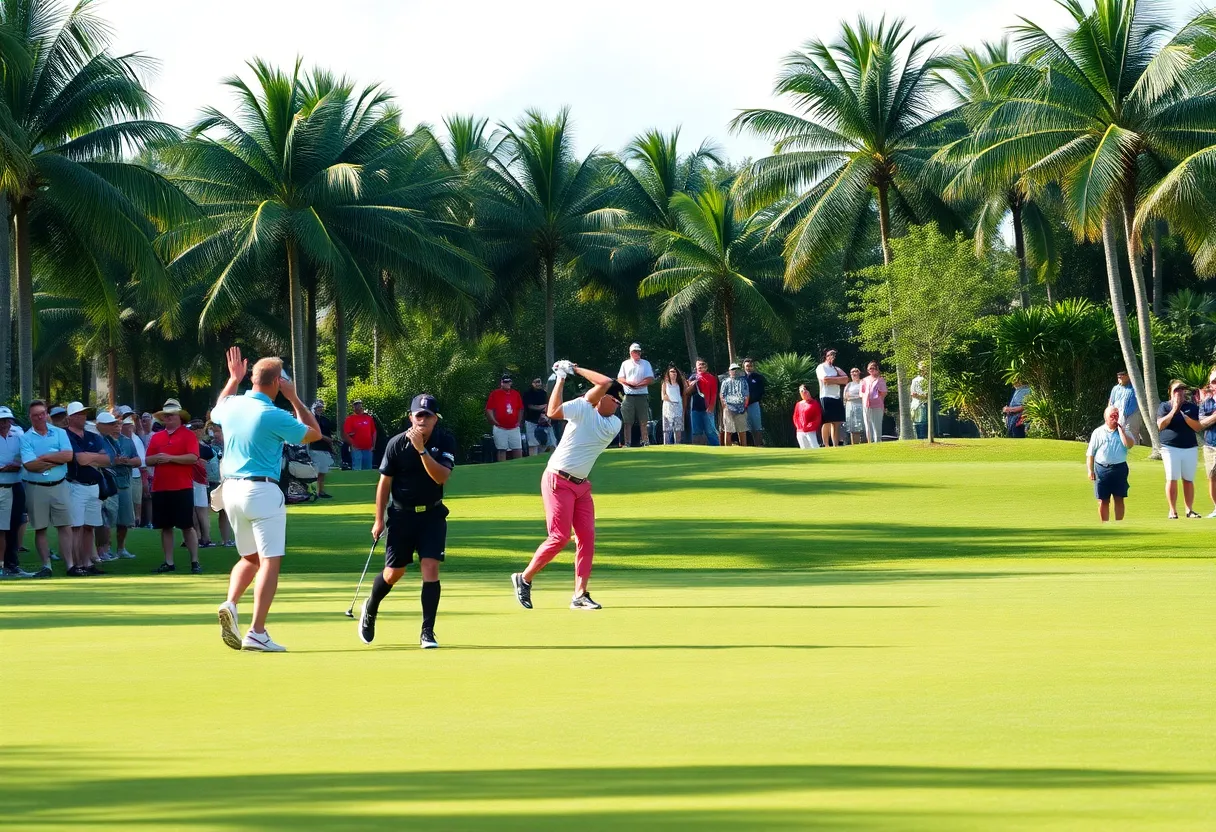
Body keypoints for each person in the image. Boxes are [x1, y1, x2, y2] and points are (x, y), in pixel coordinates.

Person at [213, 348, 320, 653]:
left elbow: (216, 411)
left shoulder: (232, 404)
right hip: (261, 491)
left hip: (231, 492)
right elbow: (314, 433)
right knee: (270, 561)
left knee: (250, 558)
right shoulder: (273, 414)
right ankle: (257, 632)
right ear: (276, 383)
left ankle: (231, 603)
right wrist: (295, 398)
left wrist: (233, 379)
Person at [511, 362, 623, 611]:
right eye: (614, 401)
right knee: (559, 537)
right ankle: (524, 578)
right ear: (603, 399)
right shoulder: (584, 408)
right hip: (557, 480)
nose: (617, 406)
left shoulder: (611, 424)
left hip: (581, 487)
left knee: (587, 538)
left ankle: (580, 594)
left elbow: (603, 384)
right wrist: (562, 377)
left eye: (619, 404)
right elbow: (553, 412)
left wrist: (571, 369)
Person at [360, 394, 456, 649]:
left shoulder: (444, 440)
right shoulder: (395, 444)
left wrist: (422, 451)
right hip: (401, 516)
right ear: (410, 416)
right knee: (394, 573)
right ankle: (371, 606)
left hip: (432, 515)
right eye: (418, 414)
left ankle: (427, 631)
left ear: (436, 419)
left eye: (428, 415)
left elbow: (441, 477)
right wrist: (378, 519)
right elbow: (384, 483)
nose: (422, 419)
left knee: (430, 568)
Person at [145, 398, 202, 573]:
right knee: (165, 527)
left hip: (181, 487)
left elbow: (193, 457)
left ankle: (194, 561)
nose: (168, 419)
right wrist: (158, 458)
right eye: (166, 416)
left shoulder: (188, 435)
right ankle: (169, 562)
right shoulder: (157, 437)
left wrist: (170, 458)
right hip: (161, 487)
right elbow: (148, 459)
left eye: (171, 416)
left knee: (187, 526)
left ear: (179, 418)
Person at [20, 400, 73, 578]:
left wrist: (45, 458)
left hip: (60, 485)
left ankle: (70, 565)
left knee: (65, 526)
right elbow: (30, 465)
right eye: (36, 415)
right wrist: (55, 460)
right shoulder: (25, 437)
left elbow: (68, 455)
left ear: (46, 414)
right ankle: (46, 566)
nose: (40, 417)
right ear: (31, 417)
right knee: (40, 528)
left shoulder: (59, 433)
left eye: (42, 413)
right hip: (36, 488)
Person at [64, 402, 109, 574]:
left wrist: (89, 457)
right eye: (79, 414)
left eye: (84, 414)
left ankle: (87, 563)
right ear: (70, 417)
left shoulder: (92, 436)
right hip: (75, 485)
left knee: (90, 526)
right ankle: (77, 565)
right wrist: (95, 457)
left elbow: (106, 460)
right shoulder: (66, 435)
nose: (83, 417)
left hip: (93, 486)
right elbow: (80, 460)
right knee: (76, 527)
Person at [1157, 379, 1203, 519]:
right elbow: (1160, 425)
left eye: (1182, 389)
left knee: (1188, 479)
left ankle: (1189, 510)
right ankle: (1172, 510)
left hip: (1189, 447)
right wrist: (1174, 410)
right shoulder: (1164, 406)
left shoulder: (1192, 407)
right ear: (1170, 392)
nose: (1180, 392)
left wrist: (1185, 416)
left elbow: (1197, 427)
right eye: (1177, 390)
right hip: (1170, 447)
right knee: (1172, 478)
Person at [96, 412, 138, 560]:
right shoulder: (100, 439)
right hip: (108, 484)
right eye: (112, 424)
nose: (116, 427)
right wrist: (115, 461)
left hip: (124, 483)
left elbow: (138, 460)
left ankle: (121, 549)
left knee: (124, 520)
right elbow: (101, 460)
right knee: (106, 518)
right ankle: (104, 550)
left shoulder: (127, 441)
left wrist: (127, 461)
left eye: (118, 424)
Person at [1087, 405, 1136, 522]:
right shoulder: (1098, 432)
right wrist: (1090, 470)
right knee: (1103, 500)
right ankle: (1105, 524)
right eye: (1112, 416)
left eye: (1117, 416)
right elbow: (1090, 453)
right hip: (1101, 469)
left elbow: (1129, 445)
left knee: (1119, 498)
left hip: (1119, 468)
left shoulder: (1125, 431)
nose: (1115, 418)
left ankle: (1119, 524)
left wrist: (1122, 432)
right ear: (1106, 418)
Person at [0, 407, 32, 578]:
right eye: (1, 420)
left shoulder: (18, 437)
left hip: (16, 485)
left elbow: (25, 456)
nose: (4, 423)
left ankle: (12, 565)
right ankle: (3, 566)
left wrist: (17, 463)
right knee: (1, 529)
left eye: (7, 420)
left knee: (13, 527)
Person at [617, 342, 655, 448]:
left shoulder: (645, 363)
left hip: (642, 395)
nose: (637, 353)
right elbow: (620, 378)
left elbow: (650, 378)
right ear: (631, 352)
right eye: (635, 351)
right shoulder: (625, 364)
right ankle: (627, 442)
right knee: (627, 421)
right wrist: (629, 384)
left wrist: (638, 385)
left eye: (639, 351)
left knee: (643, 420)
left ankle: (645, 441)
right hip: (628, 396)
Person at [189, 419, 217, 548]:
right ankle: (198, 536)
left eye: (199, 429)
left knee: (200, 510)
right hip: (192, 479)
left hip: (198, 480)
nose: (197, 431)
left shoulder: (203, 447)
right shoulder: (201, 446)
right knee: (195, 510)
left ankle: (204, 537)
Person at [485, 374, 524, 461]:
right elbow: (489, 409)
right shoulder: (495, 394)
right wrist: (494, 420)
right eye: (505, 382)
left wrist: (519, 421)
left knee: (517, 448)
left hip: (514, 427)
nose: (507, 384)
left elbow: (520, 409)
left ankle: (519, 467)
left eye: (509, 381)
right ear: (501, 383)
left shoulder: (515, 394)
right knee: (501, 449)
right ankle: (502, 467)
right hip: (500, 427)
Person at [815, 349, 848, 447]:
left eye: (834, 355)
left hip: (836, 397)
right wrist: (838, 380)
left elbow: (845, 379)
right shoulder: (821, 367)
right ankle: (826, 445)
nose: (832, 357)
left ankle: (835, 445)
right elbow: (825, 379)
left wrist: (833, 380)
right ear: (826, 356)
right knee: (827, 422)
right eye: (830, 354)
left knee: (836, 422)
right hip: (826, 396)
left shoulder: (836, 369)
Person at [688, 358, 720, 446]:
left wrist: (711, 406)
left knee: (710, 431)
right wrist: (692, 384)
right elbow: (686, 392)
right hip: (695, 408)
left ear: (706, 367)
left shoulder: (711, 378)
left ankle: (717, 449)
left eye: (703, 365)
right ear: (696, 366)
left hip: (707, 408)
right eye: (699, 365)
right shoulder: (692, 377)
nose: (701, 367)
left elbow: (714, 393)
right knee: (696, 432)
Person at [122, 414, 147, 527]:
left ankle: (136, 522)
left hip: (136, 476)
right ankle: (130, 523)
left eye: (129, 425)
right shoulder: (118, 439)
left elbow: (142, 463)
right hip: (124, 476)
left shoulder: (136, 440)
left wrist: (145, 480)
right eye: (126, 425)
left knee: (137, 502)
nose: (128, 428)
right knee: (127, 503)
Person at [308, 400, 335, 497]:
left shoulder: (325, 420)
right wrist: (325, 438)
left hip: (325, 448)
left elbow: (329, 435)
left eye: (320, 407)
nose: (319, 409)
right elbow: (313, 432)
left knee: (323, 472)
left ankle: (321, 491)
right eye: (317, 407)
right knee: (315, 472)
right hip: (315, 448)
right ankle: (313, 492)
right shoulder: (310, 419)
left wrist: (332, 447)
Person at [522, 378, 556, 455]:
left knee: (551, 443)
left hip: (545, 421)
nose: (538, 384)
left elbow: (549, 406)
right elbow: (530, 406)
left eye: (539, 382)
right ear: (532, 383)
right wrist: (542, 407)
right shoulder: (528, 393)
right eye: (536, 382)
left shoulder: (544, 393)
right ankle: (533, 460)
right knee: (533, 444)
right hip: (531, 421)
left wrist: (545, 414)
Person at [720, 363, 750, 447]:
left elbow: (747, 395)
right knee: (728, 431)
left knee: (742, 431)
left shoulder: (743, 381)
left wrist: (745, 406)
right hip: (728, 409)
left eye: (737, 369)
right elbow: (722, 395)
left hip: (741, 409)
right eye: (733, 369)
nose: (735, 371)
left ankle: (744, 449)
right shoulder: (725, 382)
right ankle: (727, 450)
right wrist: (725, 408)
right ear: (729, 371)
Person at [1108, 369, 1141, 445]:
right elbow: (1111, 402)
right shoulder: (1115, 389)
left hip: (1132, 415)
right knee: (1116, 435)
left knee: (1132, 434)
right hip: (1117, 415)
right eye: (1118, 377)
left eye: (1122, 376)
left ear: (1128, 376)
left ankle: (1135, 451)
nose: (1120, 378)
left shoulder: (1134, 388)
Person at [343, 400, 377, 471]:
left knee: (368, 469)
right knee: (357, 468)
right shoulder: (350, 419)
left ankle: (367, 482)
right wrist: (352, 445)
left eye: (360, 406)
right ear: (354, 408)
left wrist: (373, 446)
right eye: (356, 406)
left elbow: (373, 432)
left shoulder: (369, 418)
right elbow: (346, 434)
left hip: (368, 448)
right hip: (356, 448)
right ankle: (356, 481)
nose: (359, 408)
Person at [859, 361, 888, 444]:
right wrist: (866, 396)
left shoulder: (880, 380)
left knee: (877, 424)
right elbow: (861, 393)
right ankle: (870, 442)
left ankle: (878, 441)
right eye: (870, 368)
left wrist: (879, 399)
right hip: (866, 404)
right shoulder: (864, 380)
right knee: (868, 424)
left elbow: (884, 392)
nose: (871, 370)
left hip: (877, 405)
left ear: (877, 369)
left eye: (873, 368)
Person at [741, 358, 766, 446]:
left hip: (754, 405)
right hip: (743, 406)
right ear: (744, 367)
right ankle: (749, 446)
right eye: (747, 366)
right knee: (746, 428)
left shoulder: (758, 378)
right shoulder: (741, 378)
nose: (749, 368)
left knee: (757, 427)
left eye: (750, 366)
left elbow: (761, 392)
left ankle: (758, 445)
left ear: (753, 367)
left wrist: (751, 400)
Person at [660, 365, 689, 445]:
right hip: (668, 407)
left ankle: (678, 444)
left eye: (675, 371)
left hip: (678, 407)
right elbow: (663, 396)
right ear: (668, 373)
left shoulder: (680, 384)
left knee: (678, 428)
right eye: (672, 371)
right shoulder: (665, 383)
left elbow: (685, 392)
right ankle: (666, 445)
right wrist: (672, 401)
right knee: (667, 429)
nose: (674, 373)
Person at [793, 385, 823, 449]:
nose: (803, 392)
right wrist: (799, 427)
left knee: (814, 446)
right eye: (801, 391)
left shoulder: (814, 403)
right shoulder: (798, 404)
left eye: (805, 390)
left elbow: (817, 417)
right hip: (800, 431)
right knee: (804, 448)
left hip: (810, 430)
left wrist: (810, 426)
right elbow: (795, 417)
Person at [843, 368, 865, 445]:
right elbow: (845, 397)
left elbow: (864, 395)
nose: (854, 373)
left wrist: (853, 397)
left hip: (861, 406)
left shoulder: (863, 383)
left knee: (861, 426)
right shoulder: (849, 385)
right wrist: (855, 397)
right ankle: (854, 445)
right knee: (852, 428)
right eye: (852, 372)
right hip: (850, 407)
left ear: (859, 373)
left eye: (856, 371)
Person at [910, 362, 929, 440]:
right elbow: (913, 393)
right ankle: (919, 438)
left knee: (923, 422)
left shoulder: (927, 380)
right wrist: (922, 396)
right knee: (918, 422)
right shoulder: (915, 380)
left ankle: (922, 438)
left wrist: (923, 396)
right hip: (917, 404)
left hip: (924, 403)